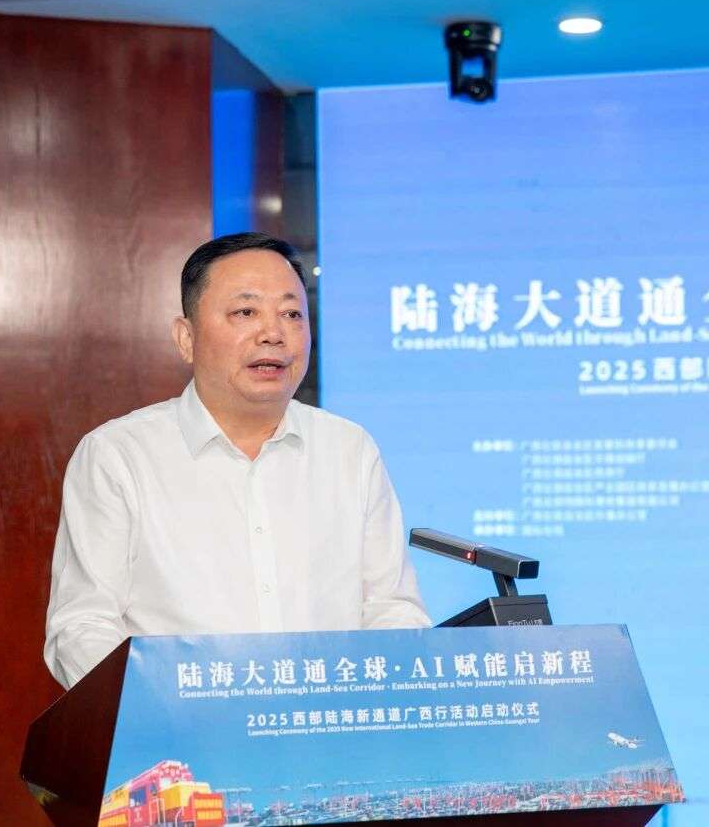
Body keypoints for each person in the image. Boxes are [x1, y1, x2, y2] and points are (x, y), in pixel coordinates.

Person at [43, 232, 430, 688]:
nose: (273, 333)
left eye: (291, 314)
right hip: (177, 724)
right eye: (246, 312)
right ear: (186, 338)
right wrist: (165, 707)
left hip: (326, 725)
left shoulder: (349, 449)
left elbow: (392, 608)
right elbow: (82, 628)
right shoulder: (118, 455)